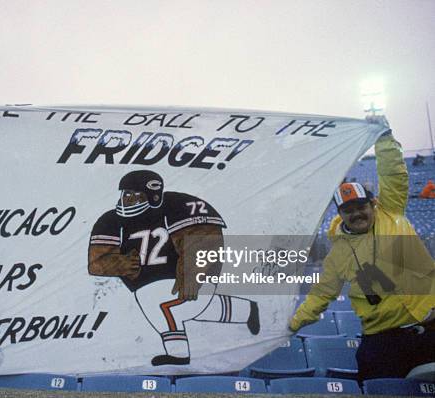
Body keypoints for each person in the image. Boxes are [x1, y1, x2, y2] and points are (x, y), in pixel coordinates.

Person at [290, 116, 435, 381]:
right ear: (340, 214)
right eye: (349, 210)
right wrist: (292, 324)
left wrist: (384, 137)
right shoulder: (337, 255)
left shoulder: (392, 213)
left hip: (430, 323)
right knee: (373, 383)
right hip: (382, 336)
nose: (357, 214)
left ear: (373, 204)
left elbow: (394, 175)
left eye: (361, 206)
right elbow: (320, 296)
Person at [88, 170, 260, 366]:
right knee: (188, 308)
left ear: (153, 196)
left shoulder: (178, 206)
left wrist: (192, 275)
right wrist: (120, 263)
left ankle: (177, 354)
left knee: (159, 302)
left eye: (137, 195)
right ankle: (245, 309)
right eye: (126, 194)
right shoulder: (110, 220)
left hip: (187, 275)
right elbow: (96, 263)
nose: (129, 200)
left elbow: (205, 241)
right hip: (147, 284)